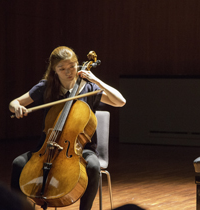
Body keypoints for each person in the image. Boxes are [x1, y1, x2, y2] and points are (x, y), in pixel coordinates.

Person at [9, 46, 126, 210]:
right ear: (54, 70)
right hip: (47, 147)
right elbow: (13, 103)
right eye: (62, 68)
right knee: (18, 163)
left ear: (78, 65)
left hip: (81, 149)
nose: (68, 72)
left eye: (72, 66)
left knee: (92, 166)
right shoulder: (46, 86)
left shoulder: (89, 88)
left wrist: (96, 80)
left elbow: (120, 101)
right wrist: (17, 108)